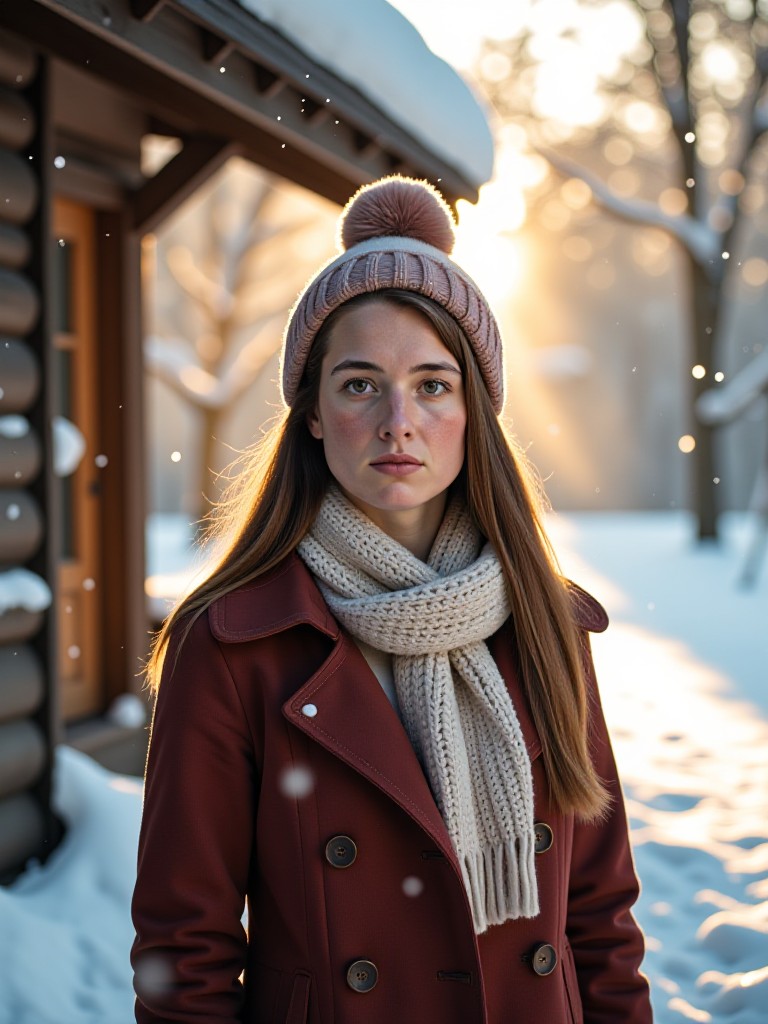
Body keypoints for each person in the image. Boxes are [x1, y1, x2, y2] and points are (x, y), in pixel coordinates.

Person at [131, 176, 653, 1024]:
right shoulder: (232, 643)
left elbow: (599, 917)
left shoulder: (546, 622)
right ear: (311, 413)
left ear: (474, 411)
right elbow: (185, 948)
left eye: (433, 385)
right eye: (360, 383)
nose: (397, 421)